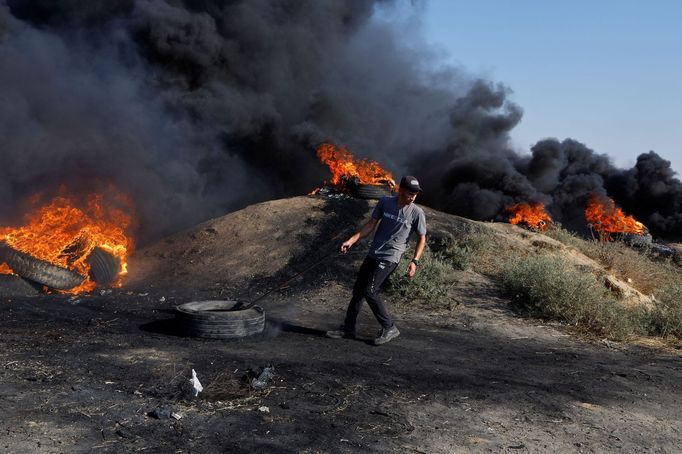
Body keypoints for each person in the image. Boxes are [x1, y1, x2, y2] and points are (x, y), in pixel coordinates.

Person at [327, 175, 427, 345]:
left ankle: (389, 327)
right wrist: (350, 241)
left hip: (390, 257)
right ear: (400, 190)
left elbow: (422, 238)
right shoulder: (385, 202)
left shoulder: (417, 213)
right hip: (374, 253)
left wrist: (414, 261)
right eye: (410, 193)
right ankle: (348, 329)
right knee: (358, 290)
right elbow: (370, 224)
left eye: (415, 194)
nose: (413, 197)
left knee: (370, 290)